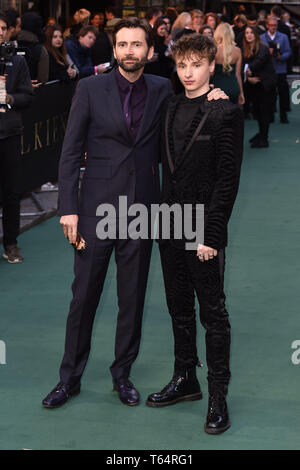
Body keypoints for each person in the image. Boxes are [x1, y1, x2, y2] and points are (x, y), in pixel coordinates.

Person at [42, 17, 226, 410]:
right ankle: (68, 378)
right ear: (114, 48)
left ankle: (121, 375)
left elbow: (194, 97)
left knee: (132, 298)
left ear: (149, 50)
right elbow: (71, 152)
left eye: (137, 44)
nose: (130, 51)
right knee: (83, 297)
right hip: (94, 212)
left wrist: (217, 95)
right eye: (123, 44)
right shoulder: (89, 89)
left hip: (143, 212)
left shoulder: (163, 89)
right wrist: (68, 210)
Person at [146, 33, 244, 436]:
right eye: (182, 66)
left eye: (196, 65)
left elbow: (227, 180)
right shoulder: (168, 106)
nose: (188, 73)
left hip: (203, 229)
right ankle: (186, 378)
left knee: (213, 314)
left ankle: (219, 397)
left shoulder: (225, 113)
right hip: (169, 224)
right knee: (178, 307)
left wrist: (212, 235)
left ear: (210, 66)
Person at [0, 12, 33, 263]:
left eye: (3, 28)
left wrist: (9, 98)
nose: (0, 32)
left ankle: (11, 243)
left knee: (11, 192)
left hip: (10, 134)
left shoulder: (17, 61)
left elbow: (28, 96)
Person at [242, 26, 276, 148]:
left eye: (251, 32)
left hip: (265, 85)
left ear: (256, 35)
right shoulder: (244, 49)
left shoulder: (263, 48)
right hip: (253, 86)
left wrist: (248, 70)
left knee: (264, 112)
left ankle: (264, 138)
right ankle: (261, 134)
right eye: (247, 33)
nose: (249, 35)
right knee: (257, 111)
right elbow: (241, 65)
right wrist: (248, 76)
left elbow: (260, 61)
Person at [260, 16, 291, 124]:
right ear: (267, 25)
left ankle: (283, 115)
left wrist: (280, 56)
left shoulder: (283, 37)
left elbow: (288, 52)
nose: (273, 27)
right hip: (268, 70)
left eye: (275, 25)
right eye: (271, 25)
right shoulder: (262, 37)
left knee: (283, 93)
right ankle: (270, 116)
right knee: (269, 94)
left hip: (280, 69)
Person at [212, 22, 244, 105]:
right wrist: (241, 93)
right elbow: (238, 74)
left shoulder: (213, 50)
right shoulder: (238, 51)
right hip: (233, 87)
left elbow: (210, 72)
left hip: (217, 87)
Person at [17, 11, 48, 83]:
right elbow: (43, 79)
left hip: (11, 91)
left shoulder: (11, 45)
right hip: (34, 91)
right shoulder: (40, 50)